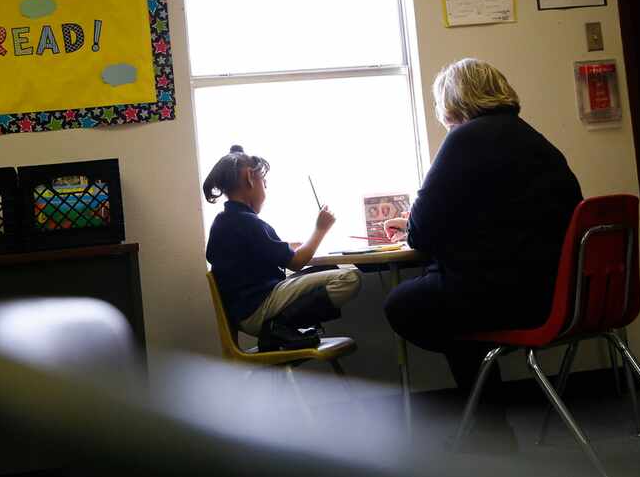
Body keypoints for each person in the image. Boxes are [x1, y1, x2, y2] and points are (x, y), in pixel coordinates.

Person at [383, 58, 582, 440]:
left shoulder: (466, 138)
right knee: (454, 314)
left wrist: (412, 223)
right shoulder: (535, 140)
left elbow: (421, 232)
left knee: (405, 304)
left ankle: (488, 421)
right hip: (558, 294)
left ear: (454, 103)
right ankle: (487, 421)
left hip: (503, 297)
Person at [204, 145, 361, 352]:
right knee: (350, 278)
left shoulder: (225, 221)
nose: (265, 190)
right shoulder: (248, 222)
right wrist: (320, 229)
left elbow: (261, 251)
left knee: (327, 269)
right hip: (259, 308)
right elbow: (296, 263)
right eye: (265, 183)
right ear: (251, 178)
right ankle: (277, 327)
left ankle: (280, 327)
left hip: (246, 311)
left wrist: (292, 245)